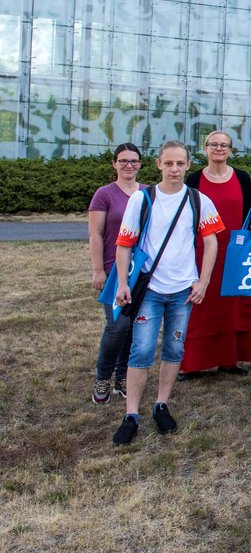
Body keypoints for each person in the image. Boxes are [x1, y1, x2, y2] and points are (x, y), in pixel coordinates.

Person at [111, 141, 225, 446]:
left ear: (189, 165)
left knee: (174, 350)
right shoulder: (142, 199)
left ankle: (161, 404)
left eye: (180, 164)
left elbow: (211, 243)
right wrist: (123, 283)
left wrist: (203, 282)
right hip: (149, 289)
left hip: (182, 291)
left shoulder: (198, 200)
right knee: (142, 351)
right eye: (169, 163)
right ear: (158, 164)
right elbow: (124, 243)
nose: (175, 169)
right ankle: (131, 414)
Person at [178, 131, 251, 380]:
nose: (219, 148)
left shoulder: (242, 177)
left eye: (224, 145)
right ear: (205, 148)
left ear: (231, 149)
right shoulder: (194, 179)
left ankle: (228, 360)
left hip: (234, 251)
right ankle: (193, 363)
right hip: (202, 250)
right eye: (214, 144)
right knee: (200, 305)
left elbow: (248, 215)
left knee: (231, 306)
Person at [88, 143, 147, 404]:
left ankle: (122, 377)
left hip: (141, 270)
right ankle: (103, 377)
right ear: (114, 164)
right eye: (123, 161)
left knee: (134, 327)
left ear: (140, 164)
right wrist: (98, 270)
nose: (129, 165)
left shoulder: (148, 192)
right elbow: (96, 235)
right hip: (113, 270)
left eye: (134, 161)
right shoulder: (104, 194)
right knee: (116, 326)